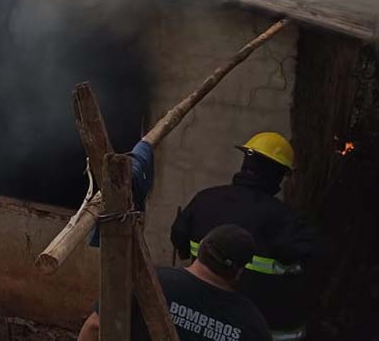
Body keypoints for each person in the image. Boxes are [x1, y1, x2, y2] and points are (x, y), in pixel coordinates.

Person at [170, 132, 320, 340]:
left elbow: (179, 239)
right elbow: (310, 257)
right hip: (252, 327)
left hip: (198, 319)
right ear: (278, 174)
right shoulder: (285, 219)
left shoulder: (205, 199)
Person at [78, 225, 271, 341]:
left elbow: (95, 326)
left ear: (202, 245)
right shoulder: (253, 324)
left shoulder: (150, 282)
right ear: (239, 271)